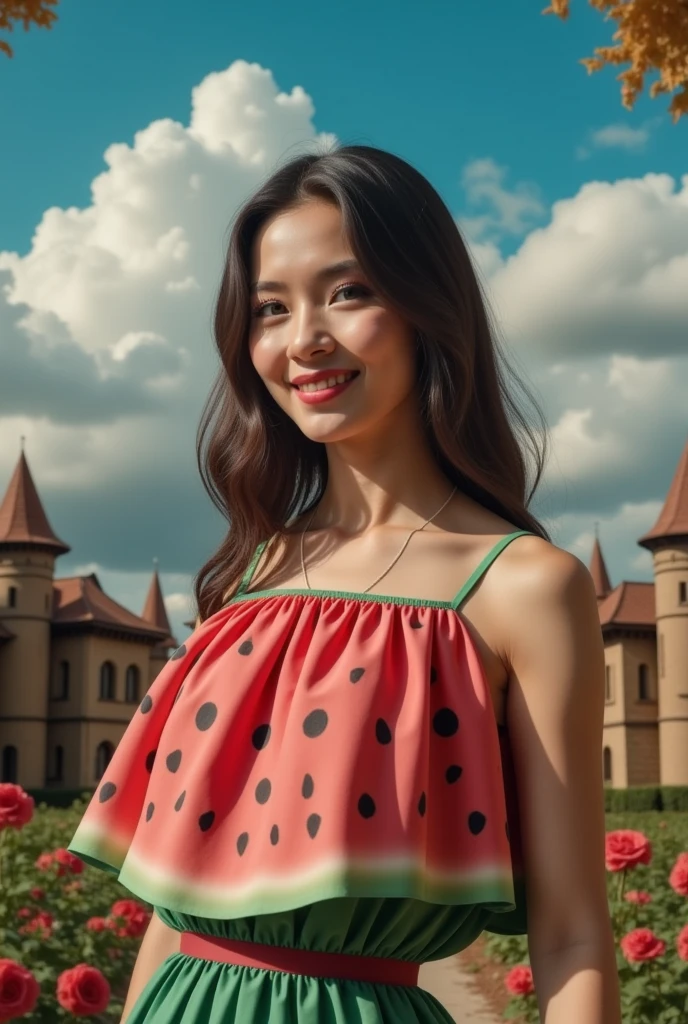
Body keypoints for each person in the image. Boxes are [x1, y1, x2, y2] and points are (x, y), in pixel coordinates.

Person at [68, 144, 621, 1023]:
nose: (303, 340)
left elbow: (571, 937)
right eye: (271, 309)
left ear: (428, 305)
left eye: (349, 292)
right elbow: (177, 912)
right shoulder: (249, 576)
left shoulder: (524, 587)